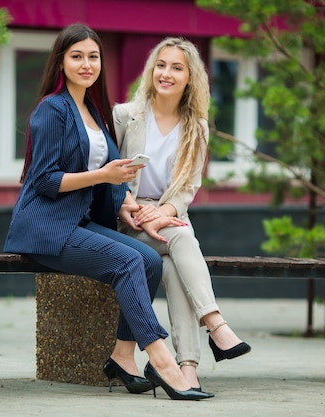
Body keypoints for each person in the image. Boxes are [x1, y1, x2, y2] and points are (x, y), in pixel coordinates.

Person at [3, 24, 211, 401]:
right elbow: (45, 182)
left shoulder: (94, 111)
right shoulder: (52, 109)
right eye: (77, 56)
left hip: (79, 222)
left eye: (93, 56)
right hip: (47, 229)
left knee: (148, 260)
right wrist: (103, 175)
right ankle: (163, 360)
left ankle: (122, 355)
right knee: (128, 262)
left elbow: (112, 178)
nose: (86, 64)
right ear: (61, 62)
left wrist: (128, 205)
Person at [113, 37, 251, 392]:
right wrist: (127, 206)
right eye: (161, 65)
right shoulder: (126, 115)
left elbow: (188, 187)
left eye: (177, 67)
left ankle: (186, 368)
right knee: (183, 237)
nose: (166, 73)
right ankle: (215, 325)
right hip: (127, 219)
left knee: (175, 262)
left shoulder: (197, 127)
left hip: (168, 217)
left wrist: (165, 212)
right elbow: (105, 172)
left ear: (191, 77)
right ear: (151, 70)